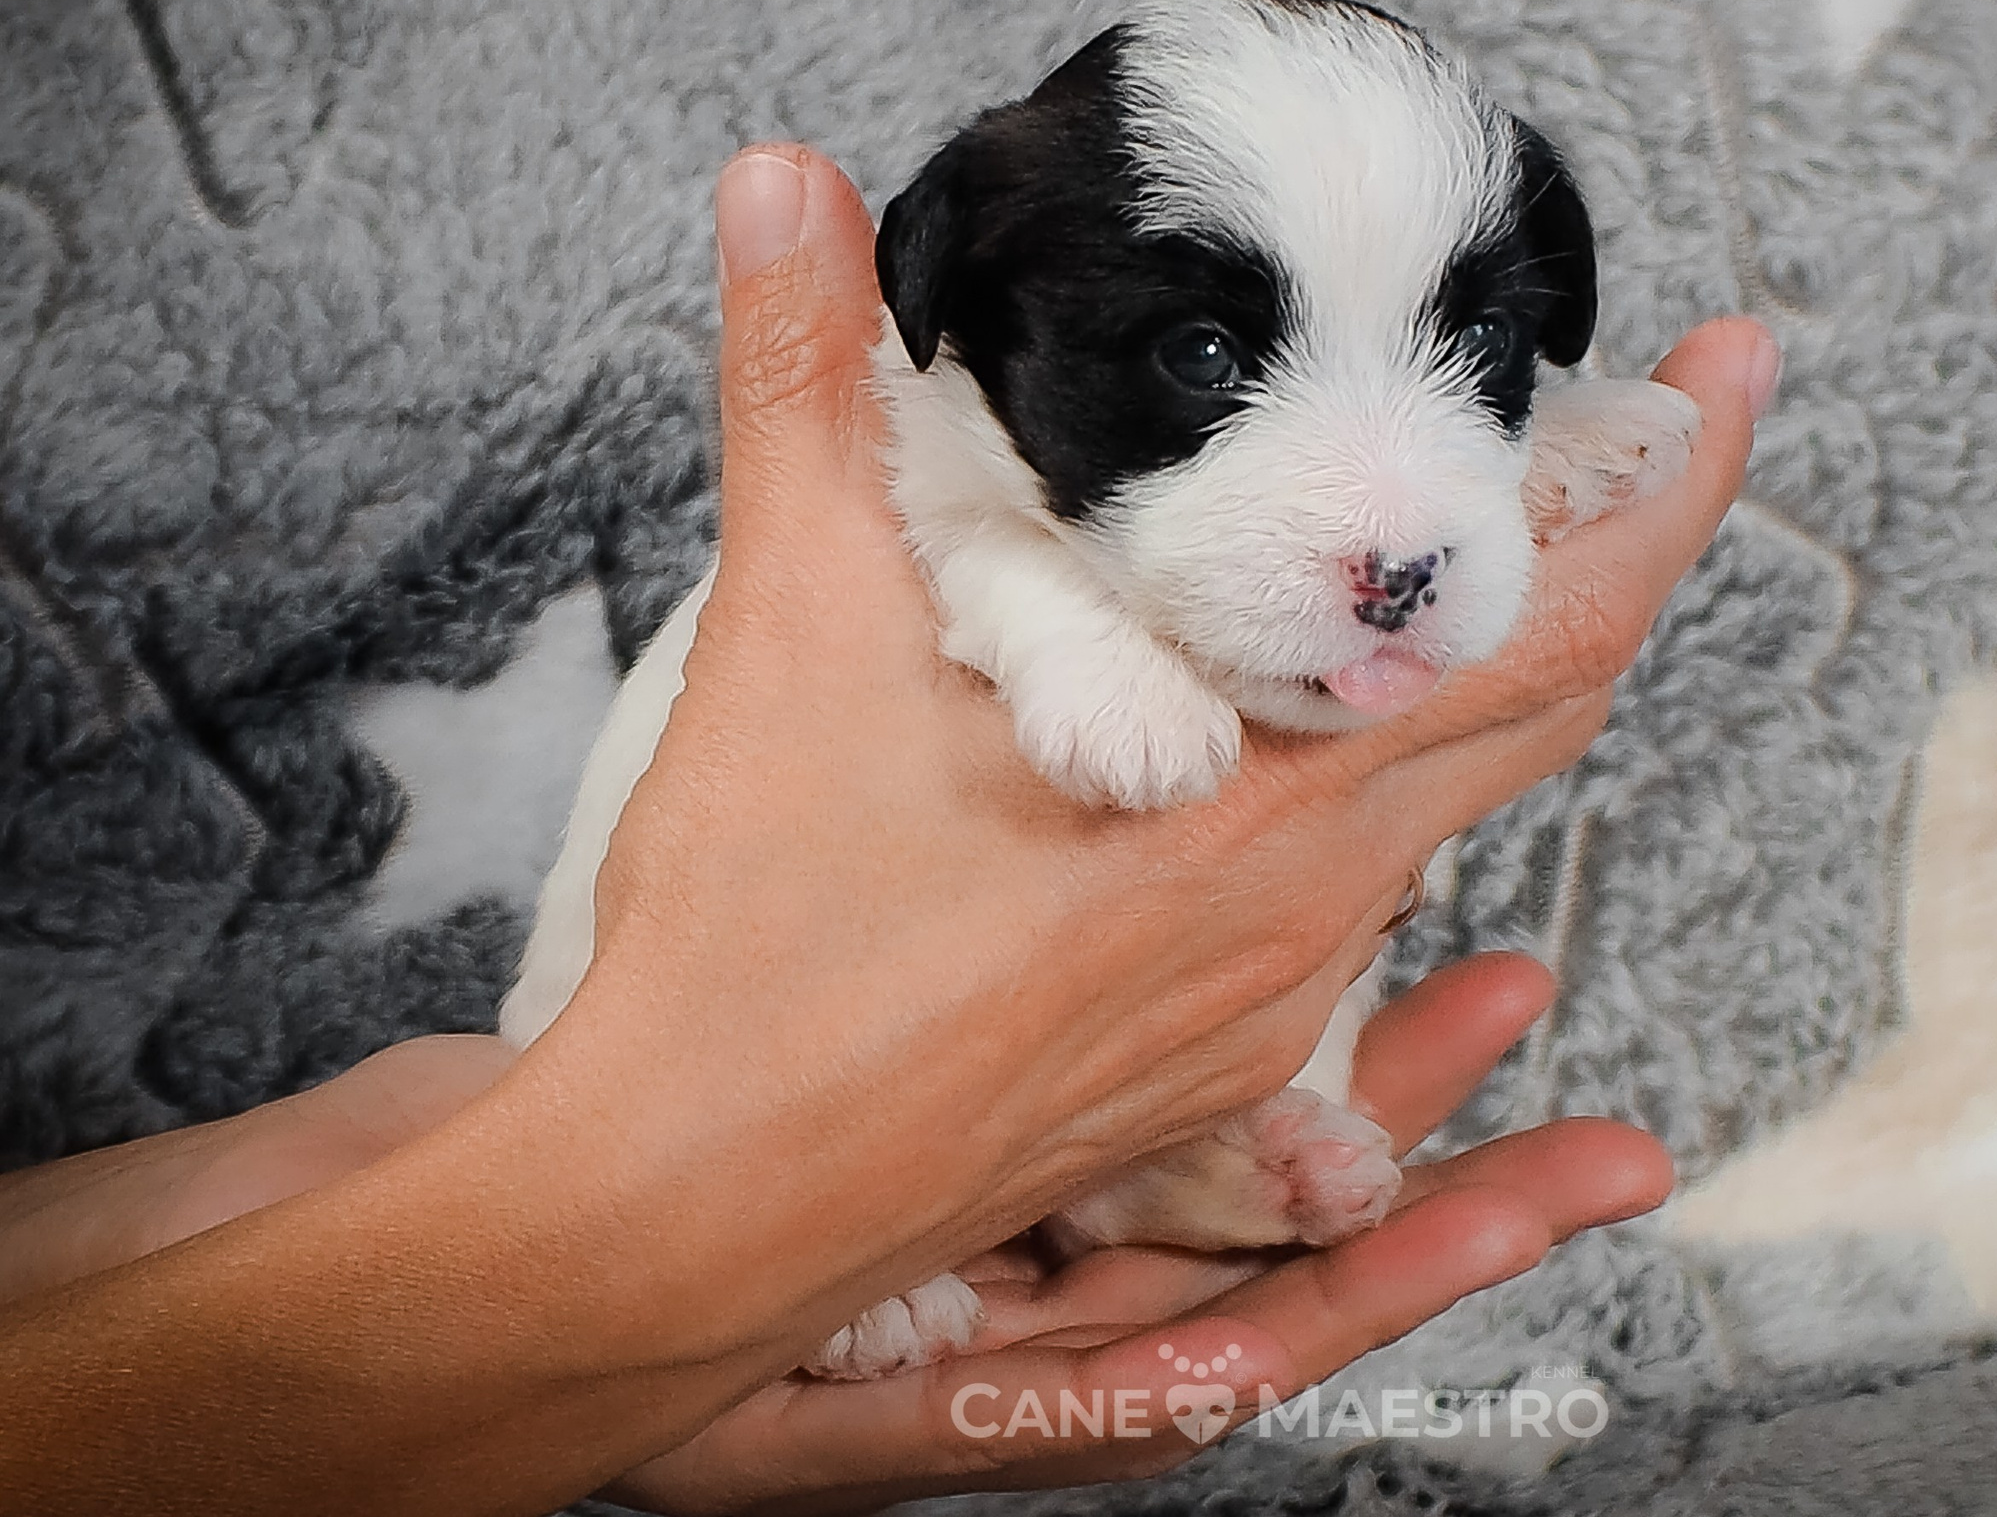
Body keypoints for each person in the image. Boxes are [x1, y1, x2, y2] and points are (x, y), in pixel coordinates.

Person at [0, 145, 1774, 1515]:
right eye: (1206, 348)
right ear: (951, 299)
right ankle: (933, 1213)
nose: (1393, 524)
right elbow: (962, 541)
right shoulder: (944, 452)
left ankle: (1149, 1170)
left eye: (1470, 343)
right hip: (653, 1036)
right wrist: (647, 1258)